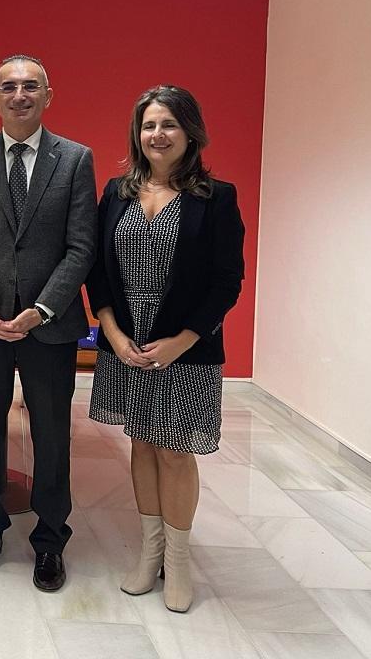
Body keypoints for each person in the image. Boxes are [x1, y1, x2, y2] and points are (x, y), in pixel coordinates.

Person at [88, 85, 245, 613]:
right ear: (137, 133)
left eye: (169, 124)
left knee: (174, 451)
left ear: (190, 132)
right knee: (142, 443)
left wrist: (182, 341)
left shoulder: (216, 197)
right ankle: (150, 551)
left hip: (185, 349)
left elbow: (227, 281)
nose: (158, 134)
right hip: (127, 345)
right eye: (149, 125)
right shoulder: (117, 192)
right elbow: (97, 271)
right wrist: (112, 334)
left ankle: (178, 561)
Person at [0, 54, 96, 591]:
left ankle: (51, 539)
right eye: (8, 87)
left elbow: (81, 247)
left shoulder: (75, 159)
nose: (20, 95)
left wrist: (41, 309)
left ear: (47, 96)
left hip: (48, 326)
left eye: (31, 86)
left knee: (51, 436)